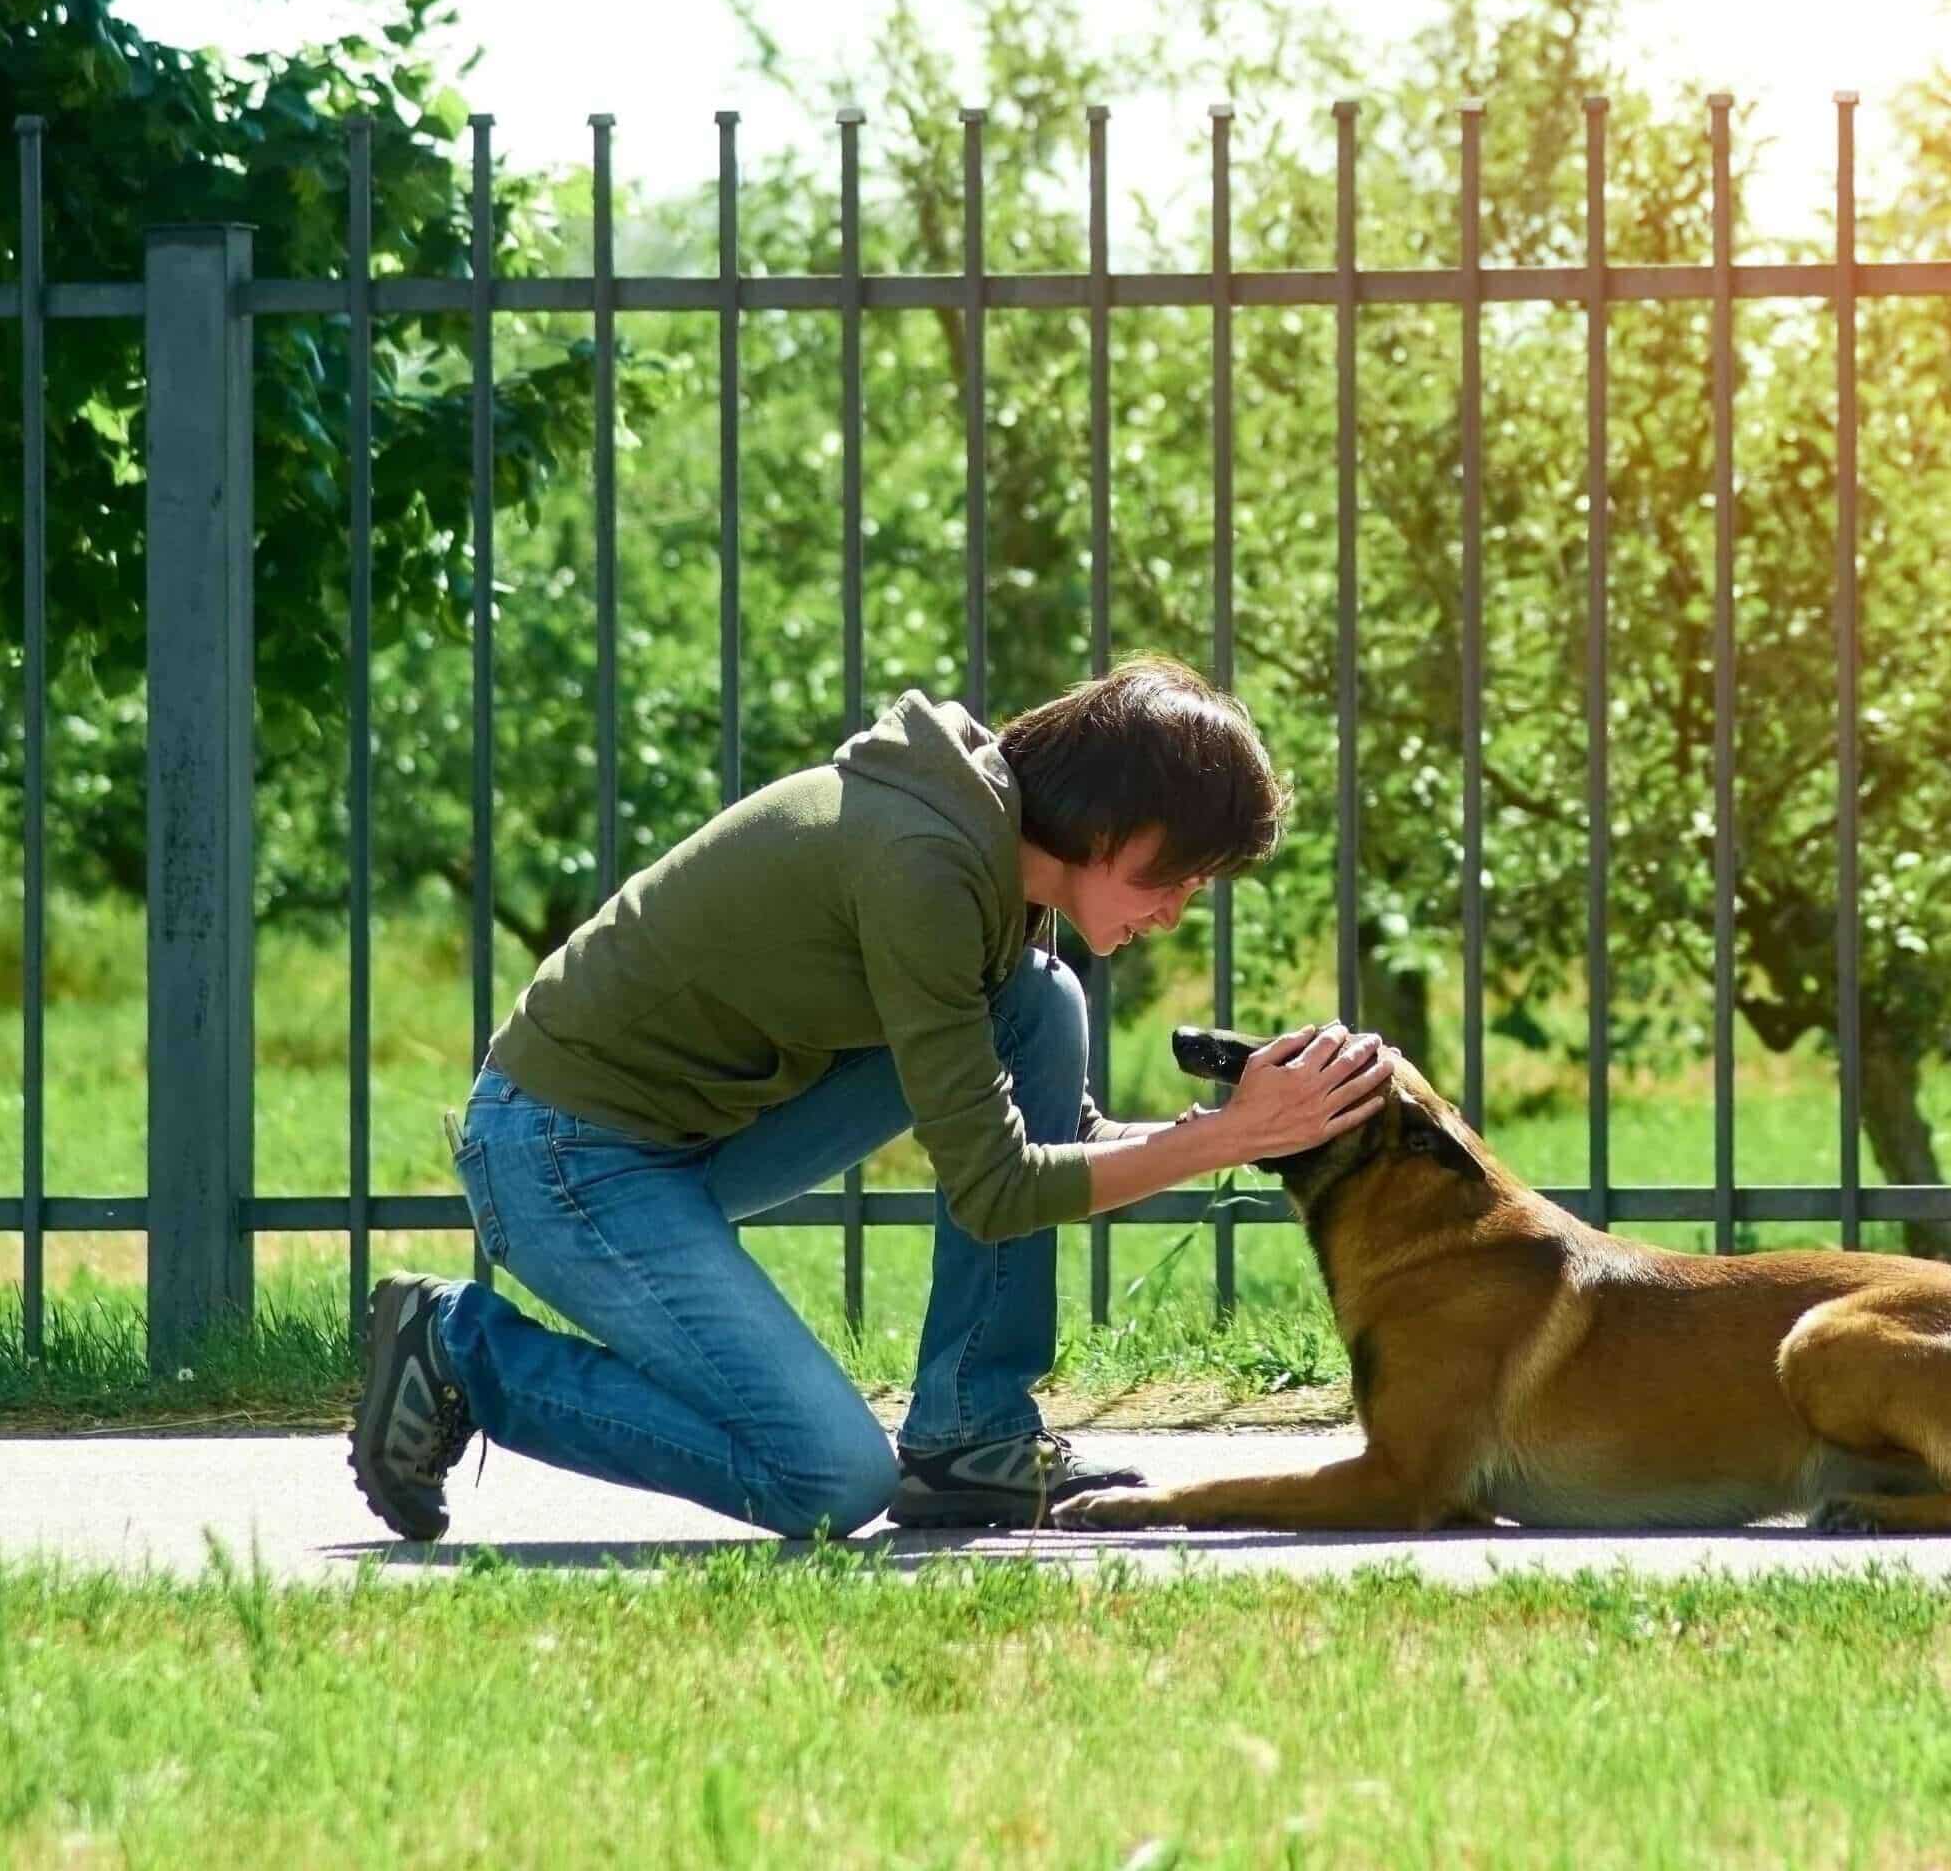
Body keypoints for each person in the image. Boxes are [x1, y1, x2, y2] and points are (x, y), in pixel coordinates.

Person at [349, 653, 1392, 1540]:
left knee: (1036, 999)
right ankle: (459, 1349)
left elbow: (1045, 1150)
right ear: (1118, 822)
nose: (1179, 907)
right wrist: (1225, 1137)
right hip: (563, 1152)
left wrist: (1243, 1126)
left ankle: (971, 1437)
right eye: (1183, 872)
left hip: (688, 1138)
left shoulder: (984, 862)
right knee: (829, 1478)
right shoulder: (926, 864)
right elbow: (999, 1188)